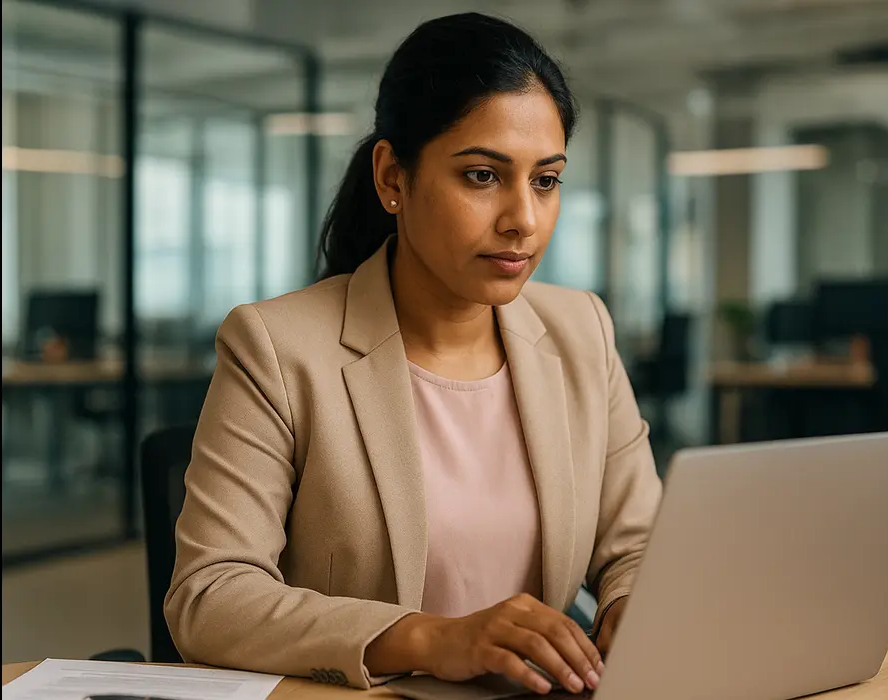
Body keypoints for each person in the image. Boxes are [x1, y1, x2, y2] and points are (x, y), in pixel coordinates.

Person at [164, 12, 662, 697]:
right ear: (393, 177)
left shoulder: (582, 330)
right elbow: (210, 596)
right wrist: (433, 639)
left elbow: (637, 543)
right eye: (483, 175)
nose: (523, 219)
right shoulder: (276, 347)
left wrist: (631, 605)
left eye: (545, 181)